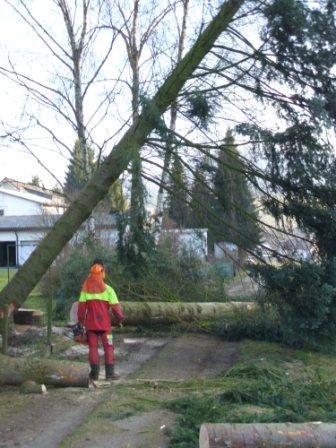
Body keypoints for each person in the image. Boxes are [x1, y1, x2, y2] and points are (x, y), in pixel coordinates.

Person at [77, 259, 124, 382]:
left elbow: (81, 310)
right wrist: (119, 320)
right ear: (103, 273)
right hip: (105, 326)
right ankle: (109, 374)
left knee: (93, 348)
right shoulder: (109, 290)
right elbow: (116, 309)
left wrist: (81, 322)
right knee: (108, 347)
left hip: (90, 326)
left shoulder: (85, 290)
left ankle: (94, 375)